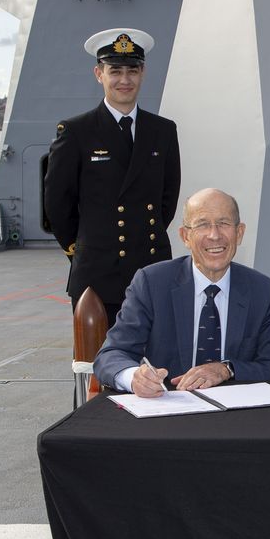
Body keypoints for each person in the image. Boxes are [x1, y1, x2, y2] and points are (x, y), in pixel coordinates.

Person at [44, 27, 181, 327]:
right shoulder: (76, 132)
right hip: (97, 273)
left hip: (151, 267)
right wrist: (83, 248)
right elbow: (57, 204)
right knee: (99, 366)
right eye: (114, 70)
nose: (124, 80)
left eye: (132, 70)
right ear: (99, 74)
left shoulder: (163, 131)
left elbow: (167, 200)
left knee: (155, 364)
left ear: (143, 72)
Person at [94, 189, 270, 396]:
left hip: (234, 417)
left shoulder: (263, 291)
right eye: (203, 224)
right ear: (185, 236)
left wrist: (226, 369)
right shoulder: (152, 283)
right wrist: (134, 378)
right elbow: (111, 354)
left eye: (224, 223)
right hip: (167, 412)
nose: (214, 235)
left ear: (239, 233)